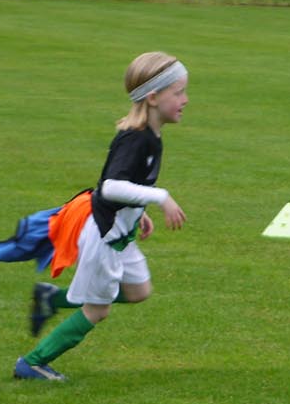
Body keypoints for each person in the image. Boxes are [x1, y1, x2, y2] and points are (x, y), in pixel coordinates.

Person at [13, 52, 188, 381]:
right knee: (98, 309)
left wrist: (138, 212)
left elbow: (127, 186)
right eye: (178, 93)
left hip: (121, 234)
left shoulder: (151, 136)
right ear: (153, 98)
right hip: (104, 238)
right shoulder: (136, 139)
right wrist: (160, 197)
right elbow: (111, 186)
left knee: (139, 291)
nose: (185, 100)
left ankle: (51, 298)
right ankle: (32, 363)